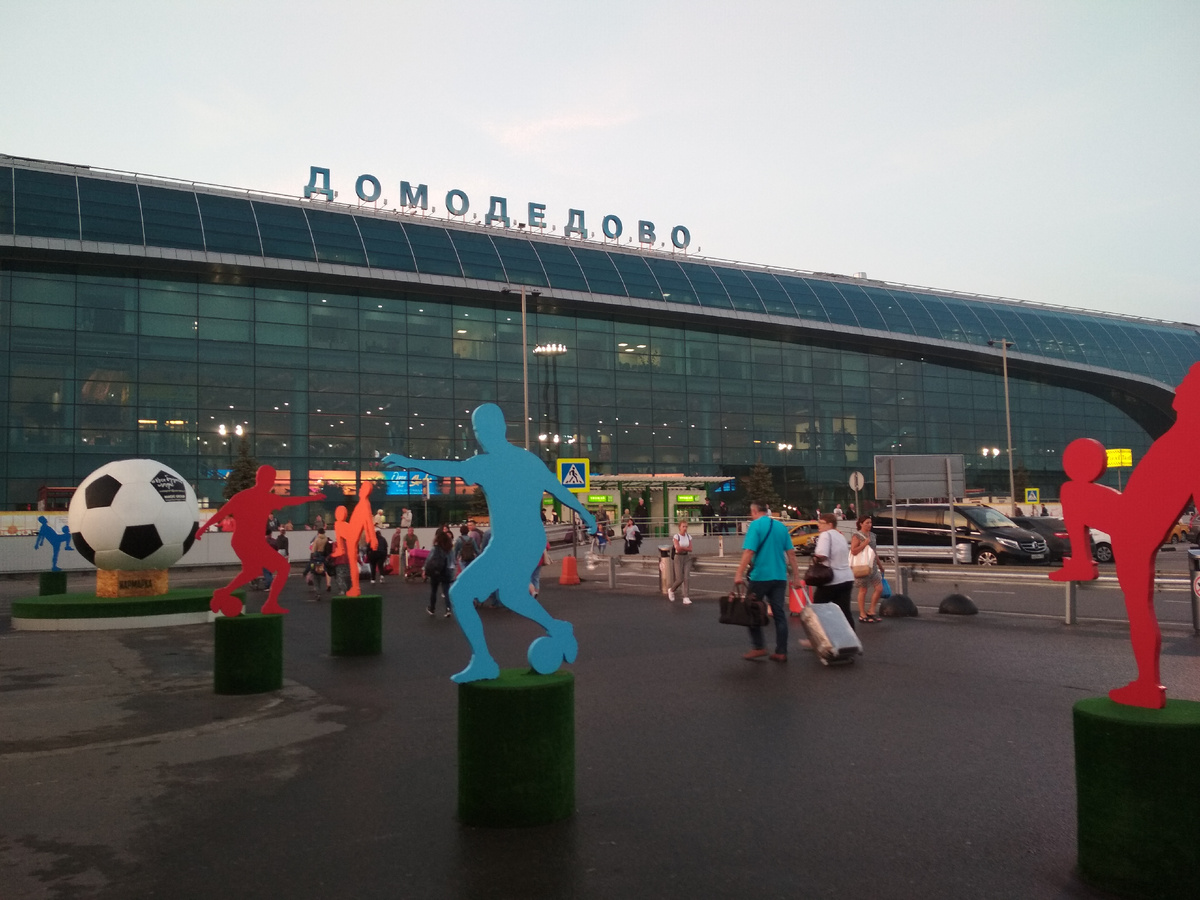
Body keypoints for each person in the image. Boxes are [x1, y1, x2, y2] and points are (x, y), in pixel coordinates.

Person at [382, 403, 597, 683]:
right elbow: (558, 489)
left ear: (498, 428)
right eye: (477, 430)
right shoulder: (525, 460)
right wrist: (584, 513)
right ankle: (557, 628)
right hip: (526, 540)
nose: (480, 436)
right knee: (511, 595)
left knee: (460, 594)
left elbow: (447, 467)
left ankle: (484, 661)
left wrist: (410, 462)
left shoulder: (487, 464)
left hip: (513, 542)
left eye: (481, 429)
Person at [1050, 362, 1200, 708]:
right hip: (1132, 517)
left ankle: (1082, 564)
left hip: (1134, 525)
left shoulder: (1192, 442)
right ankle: (1147, 684)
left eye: (1188, 383)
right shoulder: (1184, 436)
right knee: (1139, 610)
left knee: (1072, 493)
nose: (1179, 388)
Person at [195, 465, 310, 616]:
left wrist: (203, 528)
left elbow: (291, 501)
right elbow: (222, 513)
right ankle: (270, 604)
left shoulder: (246, 496)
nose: (271, 483)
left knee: (252, 571)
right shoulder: (260, 497)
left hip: (243, 541)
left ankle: (224, 593)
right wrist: (203, 528)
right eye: (271, 480)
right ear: (262, 479)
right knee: (282, 567)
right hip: (249, 541)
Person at [735, 501, 798, 661]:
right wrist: (796, 577)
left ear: (754, 511)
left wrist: (739, 574)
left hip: (760, 576)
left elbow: (749, 551)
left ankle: (759, 647)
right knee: (779, 614)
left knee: (751, 609)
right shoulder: (781, 527)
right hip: (780, 576)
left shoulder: (755, 526)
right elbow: (791, 554)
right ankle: (781, 651)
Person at [813, 513, 855, 629]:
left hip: (831, 579)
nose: (818, 525)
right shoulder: (840, 536)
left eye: (821, 523)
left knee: (819, 608)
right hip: (847, 578)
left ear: (830, 524)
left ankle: (820, 636)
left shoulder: (825, 535)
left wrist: (815, 558)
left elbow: (822, 555)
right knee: (844, 611)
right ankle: (850, 636)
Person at [850, 514, 885, 623]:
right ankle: (862, 614)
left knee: (879, 588)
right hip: (862, 566)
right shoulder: (857, 535)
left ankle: (871, 611)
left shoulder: (872, 535)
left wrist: (880, 565)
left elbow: (874, 551)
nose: (869, 525)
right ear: (861, 524)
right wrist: (864, 544)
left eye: (870, 522)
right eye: (867, 523)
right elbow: (853, 551)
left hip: (872, 566)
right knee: (863, 590)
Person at [425, 528, 454, 616]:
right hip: (446, 571)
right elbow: (452, 561)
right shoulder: (449, 548)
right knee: (446, 591)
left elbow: (429, 559)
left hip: (436, 571)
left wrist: (424, 569)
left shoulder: (435, 548)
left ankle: (432, 608)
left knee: (434, 591)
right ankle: (448, 609)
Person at [666, 520, 694, 604]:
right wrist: (684, 548)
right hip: (678, 557)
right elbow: (677, 548)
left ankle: (686, 597)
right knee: (679, 579)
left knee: (686, 577)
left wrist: (682, 548)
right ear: (679, 527)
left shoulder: (688, 536)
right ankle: (671, 590)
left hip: (686, 557)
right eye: (683, 526)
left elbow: (690, 549)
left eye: (686, 526)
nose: (685, 528)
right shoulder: (676, 536)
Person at [308, 527, 332, 592]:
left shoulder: (317, 539)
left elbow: (314, 549)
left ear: (318, 532)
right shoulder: (327, 539)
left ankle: (314, 584)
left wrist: (312, 557)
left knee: (316, 571)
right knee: (327, 570)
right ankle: (328, 584)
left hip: (318, 556)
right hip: (326, 555)